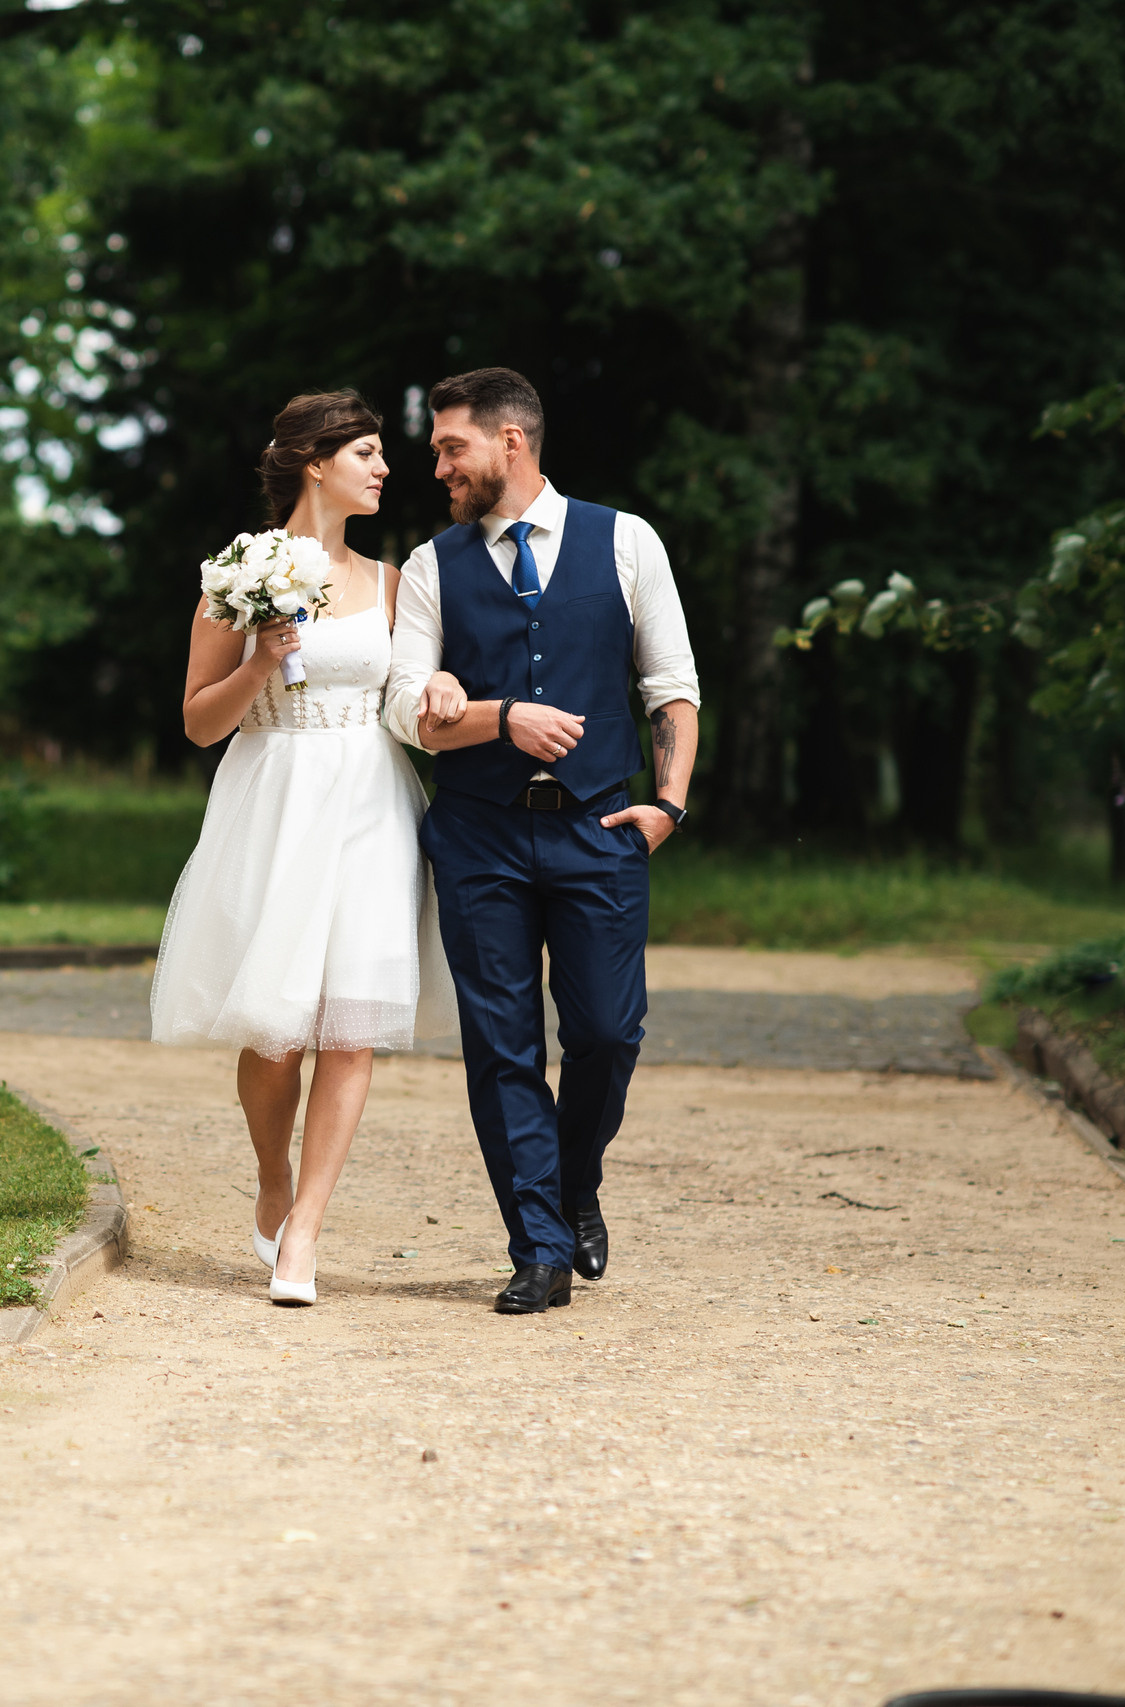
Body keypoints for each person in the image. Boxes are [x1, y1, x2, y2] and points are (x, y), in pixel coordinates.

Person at [385, 368, 701, 1315]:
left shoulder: (627, 540)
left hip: (600, 827)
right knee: (502, 1045)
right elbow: (406, 709)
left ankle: (573, 1181)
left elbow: (671, 683)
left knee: (607, 1032)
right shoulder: (433, 565)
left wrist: (669, 805)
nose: (439, 466)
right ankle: (539, 1246)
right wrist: (489, 711)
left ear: (510, 441)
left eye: (452, 447)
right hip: (478, 836)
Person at [151, 390, 455, 1307]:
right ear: (317, 463)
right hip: (275, 797)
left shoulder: (395, 582)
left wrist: (441, 682)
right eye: (366, 452)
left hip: (370, 801)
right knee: (277, 1033)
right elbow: (199, 723)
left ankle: (307, 1230)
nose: (385, 467)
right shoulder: (237, 575)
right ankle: (272, 1173)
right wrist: (257, 660)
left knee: (351, 1027)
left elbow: (408, 690)